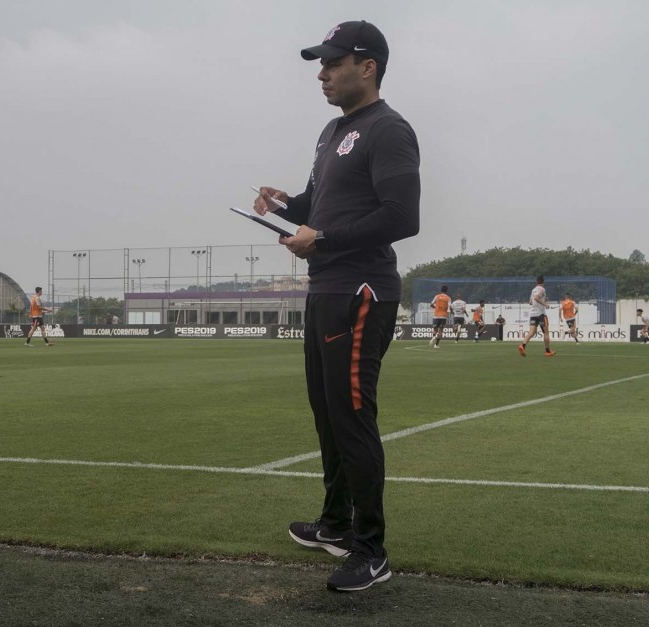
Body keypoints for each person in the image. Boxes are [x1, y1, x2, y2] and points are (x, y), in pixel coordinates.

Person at [252, 20, 420, 592]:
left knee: (352, 417)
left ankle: (370, 550)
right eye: (320, 64)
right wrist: (285, 207)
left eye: (331, 63)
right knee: (327, 414)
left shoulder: (388, 130)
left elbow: (402, 217)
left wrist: (320, 240)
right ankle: (334, 523)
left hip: (361, 291)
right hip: (325, 287)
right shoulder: (331, 131)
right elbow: (321, 206)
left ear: (366, 66)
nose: (321, 74)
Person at [518, 275, 555, 357]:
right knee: (546, 332)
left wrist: (543, 299)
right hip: (540, 314)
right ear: (543, 282)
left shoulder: (533, 290)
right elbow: (536, 298)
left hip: (532, 313)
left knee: (531, 332)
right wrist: (545, 304)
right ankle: (547, 351)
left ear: (536, 282)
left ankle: (522, 345)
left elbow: (530, 302)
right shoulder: (542, 289)